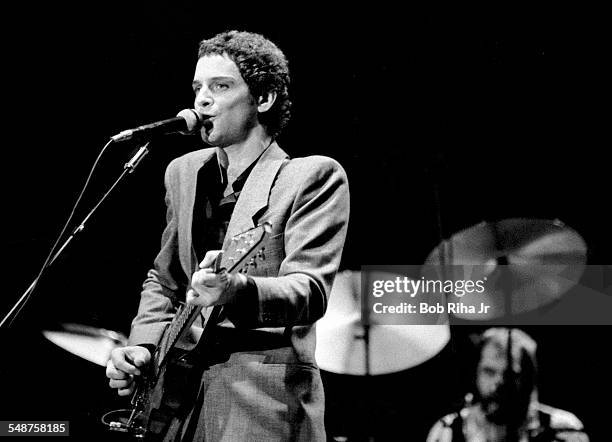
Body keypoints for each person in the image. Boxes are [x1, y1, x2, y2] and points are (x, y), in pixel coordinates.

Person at [105, 30, 349, 441]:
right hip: (175, 405)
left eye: (220, 86)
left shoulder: (312, 176)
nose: (201, 100)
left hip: (262, 402)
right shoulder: (182, 172)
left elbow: (310, 291)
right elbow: (164, 279)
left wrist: (234, 289)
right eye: (198, 87)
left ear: (264, 98)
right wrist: (144, 346)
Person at [427, 328, 589, 442]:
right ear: (475, 372)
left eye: (510, 374)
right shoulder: (447, 430)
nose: (500, 384)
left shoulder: (563, 429)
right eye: (489, 372)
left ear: (527, 379)